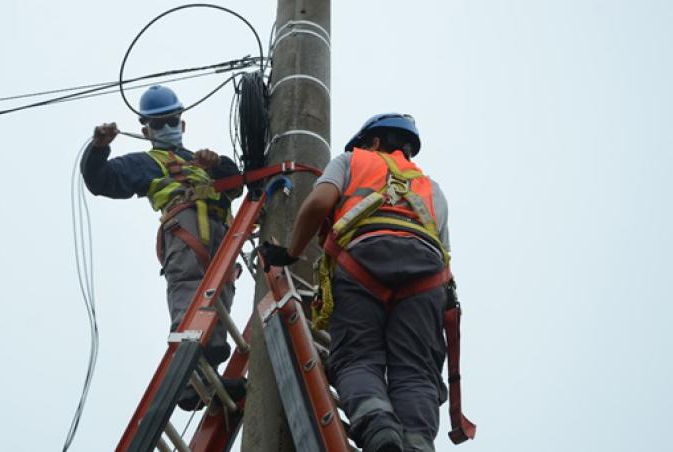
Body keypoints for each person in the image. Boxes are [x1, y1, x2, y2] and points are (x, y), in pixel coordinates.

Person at [262, 114, 452, 451]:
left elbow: (318, 204)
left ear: (374, 142)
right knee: (416, 372)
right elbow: (444, 254)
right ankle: (418, 443)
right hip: (427, 280)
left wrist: (291, 253)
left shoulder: (352, 161)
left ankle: (379, 430)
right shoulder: (431, 188)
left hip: (363, 263)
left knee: (357, 359)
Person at [81, 85, 245, 410]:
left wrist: (216, 163)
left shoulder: (199, 161)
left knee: (219, 302)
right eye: (158, 124)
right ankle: (186, 379)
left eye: (172, 121)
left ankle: (205, 374)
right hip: (185, 232)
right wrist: (98, 149)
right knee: (189, 294)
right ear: (146, 130)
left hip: (220, 235)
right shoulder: (146, 162)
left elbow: (235, 184)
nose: (167, 128)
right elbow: (101, 180)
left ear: (182, 124)